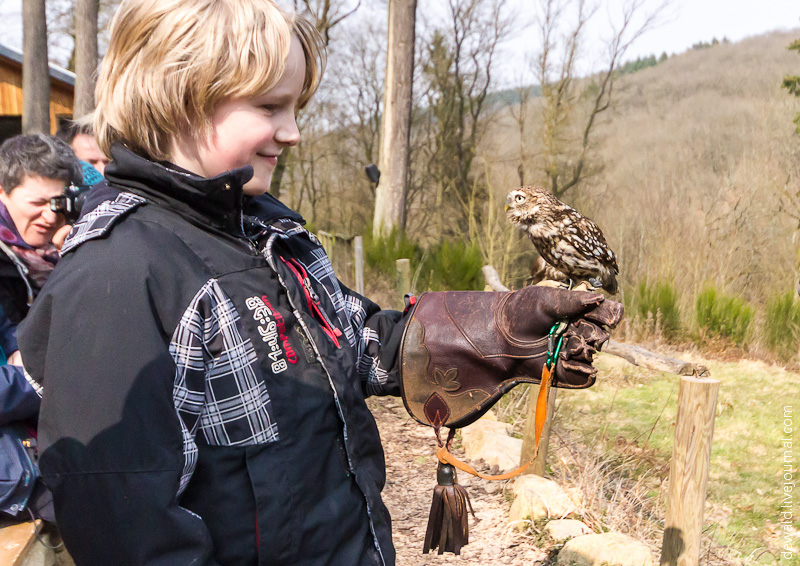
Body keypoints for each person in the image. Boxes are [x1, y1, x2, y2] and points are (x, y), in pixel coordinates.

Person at [18, 1, 620, 564]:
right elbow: (125, 525)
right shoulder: (117, 275)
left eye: (295, 109)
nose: (293, 132)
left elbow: (357, 342)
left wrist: (504, 329)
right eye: (269, 108)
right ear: (179, 100)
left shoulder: (271, 232)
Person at [0, 133, 82, 521]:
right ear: (3, 192)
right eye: (36, 202)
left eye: (58, 202)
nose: (50, 215)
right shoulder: (10, 264)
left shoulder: (52, 256)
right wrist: (52, 380)